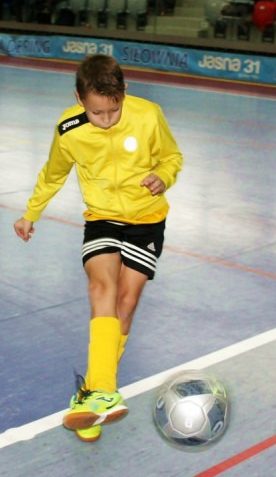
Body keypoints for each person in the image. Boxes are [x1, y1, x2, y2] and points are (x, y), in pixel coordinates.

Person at [13, 54, 183, 442]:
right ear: (79, 99)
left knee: (126, 302)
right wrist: (30, 213)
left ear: (124, 92)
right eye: (96, 113)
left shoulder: (148, 115)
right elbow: (53, 173)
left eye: (113, 110)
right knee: (100, 286)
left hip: (147, 219)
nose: (106, 120)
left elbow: (172, 156)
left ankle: (92, 392)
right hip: (102, 218)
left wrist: (163, 175)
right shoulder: (69, 128)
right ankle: (104, 390)